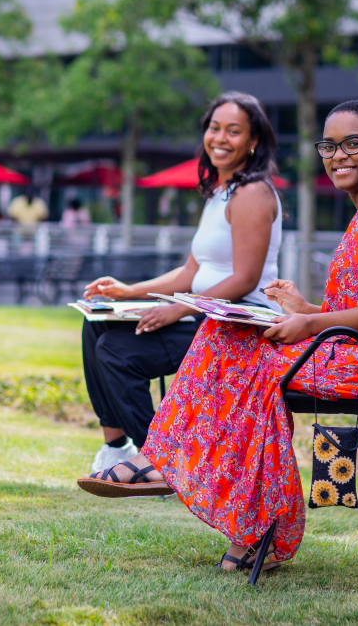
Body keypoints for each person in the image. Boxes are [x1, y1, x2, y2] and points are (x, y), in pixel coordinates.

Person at [78, 100, 358, 574]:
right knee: (227, 338)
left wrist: (309, 325)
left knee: (237, 354)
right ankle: (201, 484)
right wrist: (306, 308)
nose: (339, 155)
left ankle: (185, 472)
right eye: (329, 145)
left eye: (354, 143)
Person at [80, 91, 284, 476]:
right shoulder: (219, 193)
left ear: (253, 141)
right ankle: (116, 446)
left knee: (117, 351)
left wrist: (179, 308)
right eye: (214, 128)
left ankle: (161, 461)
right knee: (97, 325)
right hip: (203, 315)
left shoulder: (252, 193)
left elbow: (245, 278)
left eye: (234, 131)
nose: (220, 138)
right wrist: (127, 291)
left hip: (238, 327)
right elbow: (191, 269)